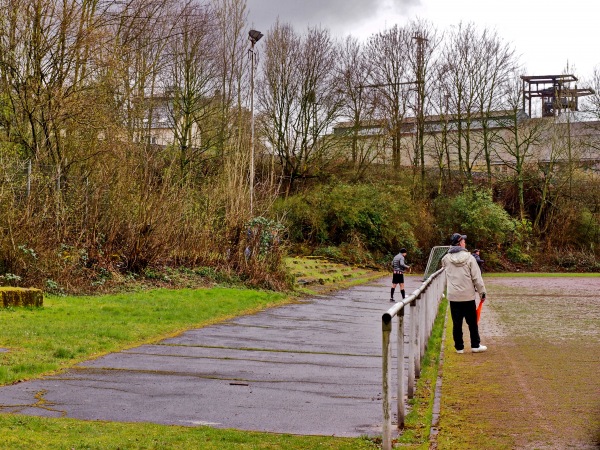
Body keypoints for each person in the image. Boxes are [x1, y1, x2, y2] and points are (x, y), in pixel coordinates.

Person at [442, 233, 487, 354]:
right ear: (460, 243)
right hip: (468, 296)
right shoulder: (470, 258)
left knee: (457, 323)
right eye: (463, 241)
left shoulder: (446, 259)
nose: (465, 243)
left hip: (454, 297)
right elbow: (477, 278)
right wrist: (482, 293)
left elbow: (445, 274)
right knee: (472, 322)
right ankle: (475, 345)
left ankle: (459, 347)